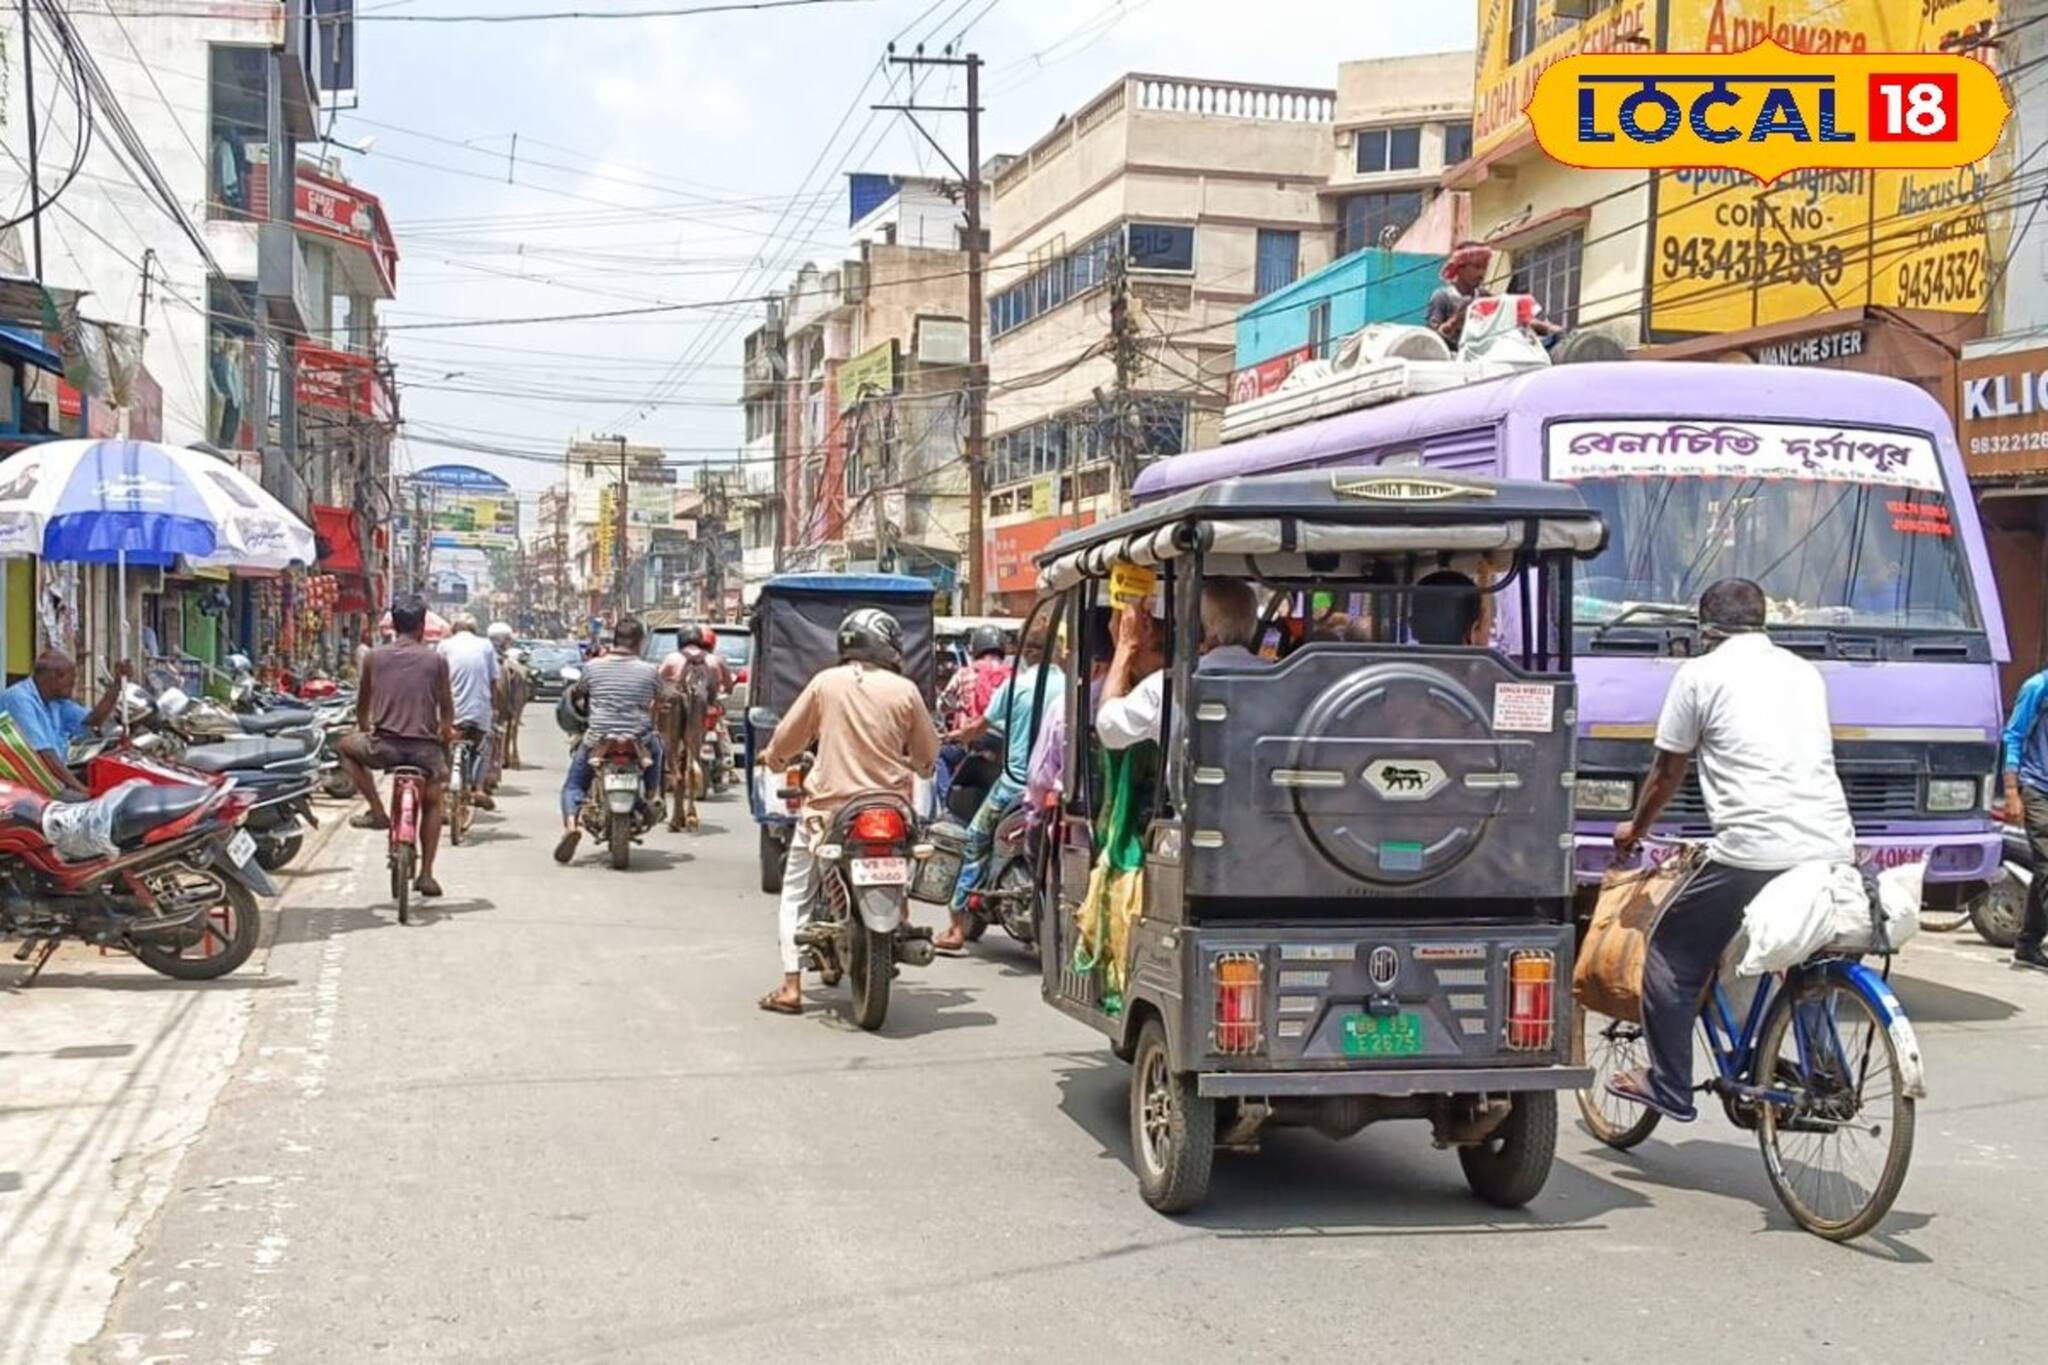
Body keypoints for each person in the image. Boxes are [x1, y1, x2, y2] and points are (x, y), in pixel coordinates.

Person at [1609, 578, 1857, 1120]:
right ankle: (1826, 1076)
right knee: (1809, 955)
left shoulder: (1699, 675)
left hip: (1750, 850)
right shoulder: (1803, 673)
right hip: (1831, 845)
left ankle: (1670, 1085)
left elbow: (1667, 771)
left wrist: (1635, 829)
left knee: (1670, 956)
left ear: (1705, 630)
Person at [758, 608, 939, 1015]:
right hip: (891, 810)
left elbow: (789, 738)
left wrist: (774, 756)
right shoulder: (906, 690)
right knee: (905, 858)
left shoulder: (826, 683)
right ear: (889, 646)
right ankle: (902, 918)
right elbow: (927, 754)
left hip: (829, 812)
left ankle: (791, 985)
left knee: (795, 892)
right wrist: (921, 766)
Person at [937, 613, 1064, 950]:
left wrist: (955, 735)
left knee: (975, 838)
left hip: (1015, 784)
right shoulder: (1069, 685)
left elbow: (979, 726)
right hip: (1058, 786)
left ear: (1024, 651)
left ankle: (957, 927)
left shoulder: (1016, 686)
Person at [338, 596, 457, 898]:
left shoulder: (375, 658)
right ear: (421, 626)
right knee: (432, 802)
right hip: (426, 752)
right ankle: (427, 874)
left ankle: (378, 811)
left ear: (393, 624)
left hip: (384, 747)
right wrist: (445, 733)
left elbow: (362, 706)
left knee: (343, 747)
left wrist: (365, 731)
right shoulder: (436, 661)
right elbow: (446, 711)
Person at [1096, 580, 1261, 753]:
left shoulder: (1169, 686)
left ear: (1198, 630)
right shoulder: (1286, 681)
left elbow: (1108, 729)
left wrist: (1125, 645)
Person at [554, 617, 664, 864]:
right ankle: (650, 796)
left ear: (614, 639)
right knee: (657, 749)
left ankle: (572, 825)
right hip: (638, 739)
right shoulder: (650, 671)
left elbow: (578, 695)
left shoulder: (593, 667)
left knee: (574, 785)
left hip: (599, 738)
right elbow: (662, 698)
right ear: (640, 642)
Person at [0, 651, 130, 795]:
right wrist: (82, 790)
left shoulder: (57, 702)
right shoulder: (19, 699)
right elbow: (44, 754)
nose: (74, 683)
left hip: (51, 777)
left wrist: (117, 684)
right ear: (55, 677)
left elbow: (93, 720)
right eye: (72, 678)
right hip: (29, 784)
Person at [1998, 659, 2048, 972]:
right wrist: (2012, 791)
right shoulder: (2037, 687)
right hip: (2037, 787)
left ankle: (2028, 944)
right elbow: (2013, 736)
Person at [935, 624, 1013, 802]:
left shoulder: (964, 674)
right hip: (1004, 746)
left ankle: (947, 801)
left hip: (969, 741)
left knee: (941, 755)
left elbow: (942, 704)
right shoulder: (1013, 675)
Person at [438, 613, 501, 810]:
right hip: (479, 710)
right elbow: (494, 681)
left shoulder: (444, 646)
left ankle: (445, 782)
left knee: (444, 746)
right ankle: (478, 788)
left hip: (451, 712)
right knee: (484, 746)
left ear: (454, 628)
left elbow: (435, 680)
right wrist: (494, 709)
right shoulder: (486, 646)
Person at [1409, 569, 1487, 647]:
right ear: (1472, 630)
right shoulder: (1488, 658)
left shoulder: (1400, 657)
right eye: (1478, 627)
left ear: (1413, 626)